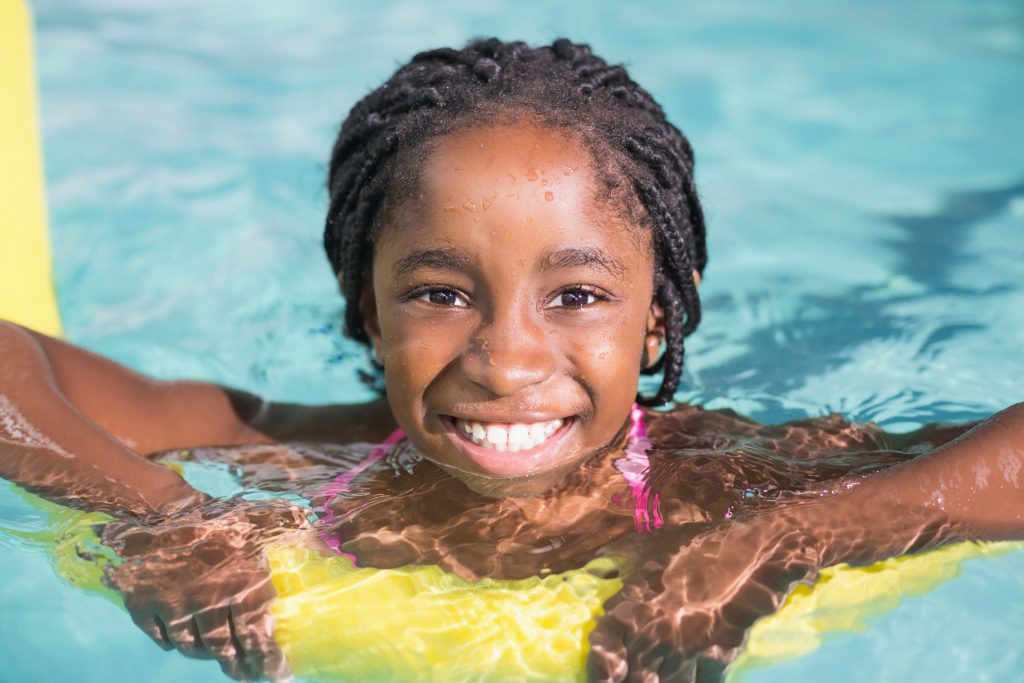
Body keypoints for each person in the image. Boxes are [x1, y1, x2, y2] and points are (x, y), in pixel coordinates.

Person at [0, 37, 1021, 682]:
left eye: (576, 295)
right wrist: (156, 513)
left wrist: (791, 536)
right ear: (367, 313)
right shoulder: (300, 458)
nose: (506, 357)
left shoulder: (725, 481)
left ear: (656, 323)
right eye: (440, 293)